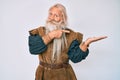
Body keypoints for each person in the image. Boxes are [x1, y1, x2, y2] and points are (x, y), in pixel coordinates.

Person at [28, 3, 107, 80]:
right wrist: (51, 35)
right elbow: (34, 49)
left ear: (63, 18)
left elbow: (75, 58)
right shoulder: (39, 31)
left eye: (56, 15)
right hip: (43, 74)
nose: (52, 18)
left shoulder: (71, 35)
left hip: (63, 75)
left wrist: (85, 44)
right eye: (50, 14)